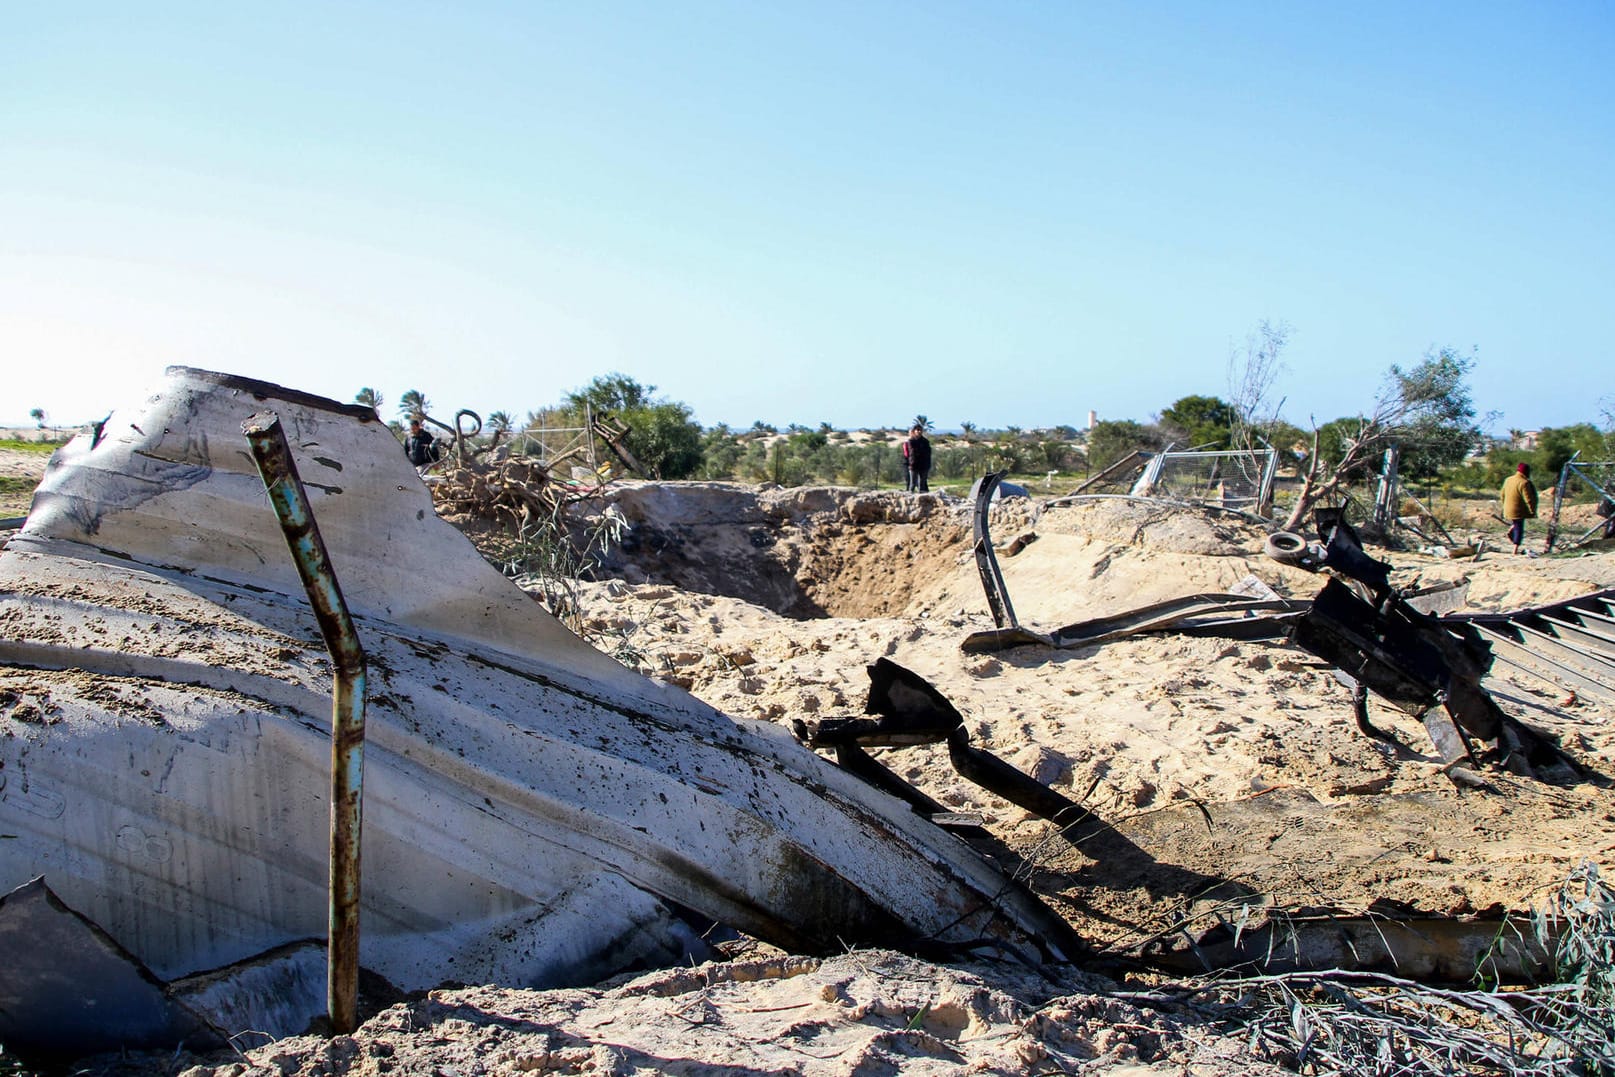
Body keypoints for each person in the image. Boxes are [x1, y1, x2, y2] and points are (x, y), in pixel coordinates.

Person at [1500, 462, 1538, 553]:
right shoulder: (1524, 483)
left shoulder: (1508, 480)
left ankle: (1512, 528)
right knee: (1519, 527)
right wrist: (1532, 511)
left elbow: (1502, 495)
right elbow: (1529, 499)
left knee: (1516, 524)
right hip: (1519, 511)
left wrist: (1505, 505)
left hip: (1508, 509)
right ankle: (1515, 549)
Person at [902, 425, 932, 492]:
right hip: (914, 465)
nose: (919, 431)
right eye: (917, 430)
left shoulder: (925, 442)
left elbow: (927, 453)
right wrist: (911, 463)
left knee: (922, 484)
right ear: (914, 431)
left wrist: (927, 464)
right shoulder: (911, 441)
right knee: (912, 484)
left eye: (920, 430)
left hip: (924, 465)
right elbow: (911, 453)